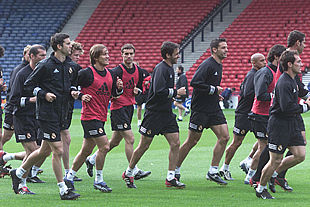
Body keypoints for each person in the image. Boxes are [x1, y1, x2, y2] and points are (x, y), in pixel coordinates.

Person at [9, 33, 80, 200]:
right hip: (47, 115)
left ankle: (18, 173)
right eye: (68, 44)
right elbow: (30, 85)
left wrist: (74, 91)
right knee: (58, 150)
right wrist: (44, 94)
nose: (71, 46)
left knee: (43, 150)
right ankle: (63, 189)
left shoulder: (71, 66)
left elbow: (73, 83)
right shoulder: (46, 65)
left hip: (63, 113)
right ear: (58, 46)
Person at [122, 41, 186, 189]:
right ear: (168, 55)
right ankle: (129, 172)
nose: (178, 56)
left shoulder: (170, 68)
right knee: (144, 145)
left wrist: (173, 95)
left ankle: (170, 177)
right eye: (176, 53)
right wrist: (176, 92)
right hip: (154, 114)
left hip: (166, 113)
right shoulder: (161, 69)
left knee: (175, 143)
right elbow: (158, 91)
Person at [250, 30, 308, 192]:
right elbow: (287, 88)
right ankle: (259, 179)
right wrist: (306, 104)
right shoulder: (287, 61)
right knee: (273, 152)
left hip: (291, 112)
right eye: (303, 42)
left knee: (298, 149)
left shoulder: (291, 64)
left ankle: (276, 175)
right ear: (297, 43)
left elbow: (298, 87)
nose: (301, 64)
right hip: (283, 113)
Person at [85, 44, 150, 180]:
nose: (129, 56)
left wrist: (137, 91)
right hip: (118, 108)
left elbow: (138, 88)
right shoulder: (116, 71)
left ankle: (91, 159)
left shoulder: (138, 70)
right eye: (126, 54)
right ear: (122, 55)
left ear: (134, 54)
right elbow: (110, 91)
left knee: (113, 143)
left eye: (131, 54)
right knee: (130, 139)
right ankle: (133, 170)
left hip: (129, 107)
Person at [64, 44, 123, 193]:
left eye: (108, 53)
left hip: (101, 116)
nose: (108, 56)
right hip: (90, 116)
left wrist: (119, 88)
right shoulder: (86, 73)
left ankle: (69, 177)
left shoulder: (110, 74)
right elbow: (71, 87)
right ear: (95, 57)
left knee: (86, 151)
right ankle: (99, 180)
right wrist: (81, 95)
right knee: (104, 147)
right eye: (104, 54)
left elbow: (114, 94)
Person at [175, 38, 229, 185]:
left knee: (224, 137)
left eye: (226, 47)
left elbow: (208, 86)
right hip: (200, 109)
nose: (226, 50)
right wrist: (213, 89)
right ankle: (175, 170)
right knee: (192, 141)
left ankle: (213, 171)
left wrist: (215, 94)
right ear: (214, 50)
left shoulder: (219, 65)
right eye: (223, 47)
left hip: (213, 108)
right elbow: (195, 83)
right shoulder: (208, 64)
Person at [218, 53, 266, 180]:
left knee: (264, 140)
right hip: (244, 114)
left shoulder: (258, 74)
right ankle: (225, 168)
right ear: (254, 63)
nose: (264, 62)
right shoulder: (252, 76)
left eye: (265, 60)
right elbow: (248, 93)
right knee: (237, 142)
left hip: (254, 113)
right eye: (261, 61)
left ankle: (248, 160)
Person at [244, 44, 286, 185]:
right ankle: (251, 175)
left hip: (267, 115)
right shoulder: (265, 72)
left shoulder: (275, 72)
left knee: (267, 146)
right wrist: (276, 96)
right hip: (259, 115)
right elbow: (261, 94)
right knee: (264, 146)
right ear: (276, 57)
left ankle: (255, 174)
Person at [7, 45, 47, 189]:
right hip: (23, 117)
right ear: (31, 56)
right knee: (33, 151)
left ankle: (17, 173)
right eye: (41, 55)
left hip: (38, 117)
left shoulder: (42, 73)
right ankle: (20, 180)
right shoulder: (21, 74)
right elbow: (13, 100)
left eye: (45, 55)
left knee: (41, 151)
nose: (44, 58)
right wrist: (30, 100)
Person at [60, 41, 84, 182]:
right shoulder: (66, 67)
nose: (78, 57)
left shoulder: (75, 67)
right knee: (64, 140)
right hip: (58, 108)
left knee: (46, 146)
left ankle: (29, 169)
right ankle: (68, 172)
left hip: (67, 107)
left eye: (79, 55)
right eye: (76, 55)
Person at [0, 45, 31, 151]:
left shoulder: (32, 69)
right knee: (6, 136)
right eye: (28, 54)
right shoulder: (19, 70)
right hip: (13, 108)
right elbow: (13, 92)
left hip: (25, 109)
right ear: (24, 55)